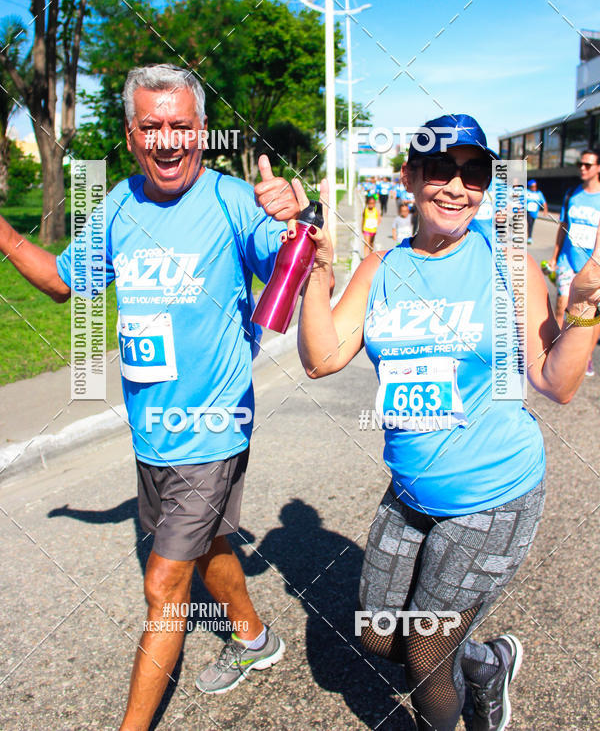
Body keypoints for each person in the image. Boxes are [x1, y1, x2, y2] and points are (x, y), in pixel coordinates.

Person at [0, 65, 304, 731]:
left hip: (211, 428)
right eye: (150, 127)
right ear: (132, 135)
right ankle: (255, 639)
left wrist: (290, 221)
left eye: (180, 126)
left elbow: (284, 269)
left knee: (164, 584)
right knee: (213, 544)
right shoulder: (117, 204)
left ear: (201, 131)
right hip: (152, 432)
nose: (167, 141)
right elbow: (61, 281)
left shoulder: (232, 201)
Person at [295, 114, 600, 731]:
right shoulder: (382, 268)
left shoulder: (508, 262)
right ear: (410, 177)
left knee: (425, 655)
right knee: (381, 636)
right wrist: (317, 271)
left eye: (474, 173)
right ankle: (488, 662)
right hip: (409, 488)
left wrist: (587, 313)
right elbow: (323, 357)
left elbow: (556, 383)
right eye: (440, 169)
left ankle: (462, 702)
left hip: (494, 492)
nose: (457, 187)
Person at [547, 147, 600, 375]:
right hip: (568, 259)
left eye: (588, 165)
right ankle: (558, 352)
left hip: (593, 265)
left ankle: (586, 356)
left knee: (592, 314)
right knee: (562, 305)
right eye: (581, 164)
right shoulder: (571, 194)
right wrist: (555, 255)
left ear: (598, 168)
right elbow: (563, 228)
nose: (582, 168)